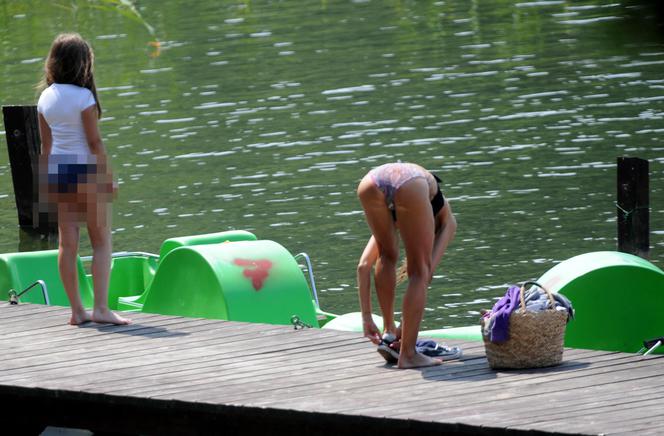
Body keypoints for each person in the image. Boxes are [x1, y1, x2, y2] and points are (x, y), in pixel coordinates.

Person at [37, 33, 130, 326]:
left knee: (69, 244)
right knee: (101, 242)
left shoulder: (45, 97)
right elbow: (94, 143)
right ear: (83, 64)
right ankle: (101, 308)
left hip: (60, 173)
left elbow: (46, 147)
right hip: (86, 173)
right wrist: (108, 177)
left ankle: (77, 311)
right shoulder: (84, 98)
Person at [356, 162, 456, 368]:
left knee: (386, 255)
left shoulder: (394, 214)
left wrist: (366, 318)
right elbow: (425, 275)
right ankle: (408, 354)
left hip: (370, 182)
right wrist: (407, 326)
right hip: (411, 183)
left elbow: (363, 266)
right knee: (419, 272)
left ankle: (388, 330)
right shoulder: (448, 220)